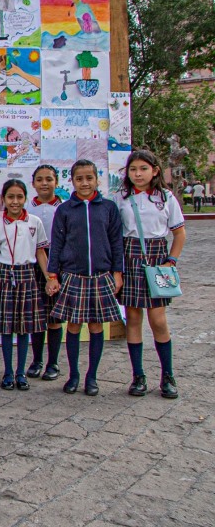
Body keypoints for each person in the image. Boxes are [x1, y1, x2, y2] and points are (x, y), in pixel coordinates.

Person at [46, 159, 124, 397]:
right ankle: (74, 375)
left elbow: (116, 243)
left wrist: (117, 274)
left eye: (89, 178)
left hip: (101, 276)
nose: (84, 183)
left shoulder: (108, 208)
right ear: (72, 181)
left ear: (96, 179)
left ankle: (92, 376)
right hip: (73, 276)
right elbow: (57, 244)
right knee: (74, 325)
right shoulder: (65, 209)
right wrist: (53, 274)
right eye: (79, 178)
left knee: (96, 325)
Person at [113, 150, 186, 399]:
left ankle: (168, 375)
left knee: (158, 320)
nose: (138, 174)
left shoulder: (166, 198)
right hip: (129, 258)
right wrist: (118, 271)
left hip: (157, 260)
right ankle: (138, 376)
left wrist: (171, 261)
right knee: (133, 319)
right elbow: (116, 236)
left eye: (143, 168)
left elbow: (179, 233)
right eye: (133, 169)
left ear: (155, 170)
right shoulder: (120, 198)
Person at [0, 180, 50, 391]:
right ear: (3, 199)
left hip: (27, 276)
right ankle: (7, 373)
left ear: (25, 198)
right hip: (5, 275)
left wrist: (49, 277)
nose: (15, 202)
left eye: (19, 197)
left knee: (24, 329)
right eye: (10, 197)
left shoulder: (34, 222)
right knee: (6, 329)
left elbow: (40, 252)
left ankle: (21, 372)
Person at [26, 165, 64, 381]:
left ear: (56, 182)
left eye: (49, 179)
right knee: (37, 314)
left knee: (54, 315)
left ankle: (53, 362)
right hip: (33, 262)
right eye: (39, 180)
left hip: (57, 262)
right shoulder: (27, 210)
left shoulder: (65, 208)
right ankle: (37, 360)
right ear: (33, 183)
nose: (44, 183)